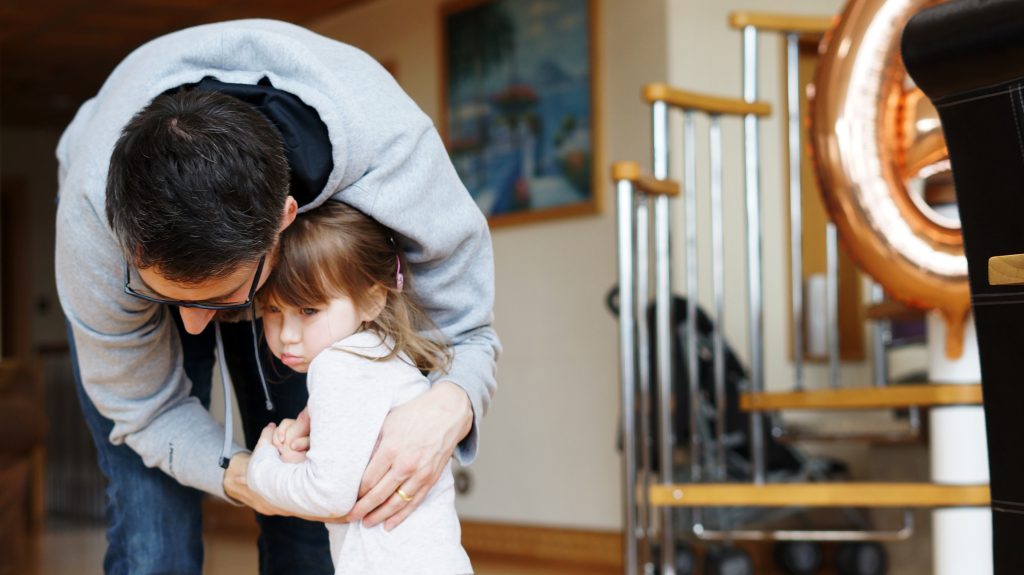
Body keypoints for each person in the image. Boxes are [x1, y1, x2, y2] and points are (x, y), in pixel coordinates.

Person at [55, 19, 499, 575]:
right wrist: (242, 475)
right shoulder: (92, 226)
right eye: (166, 295)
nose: (192, 327)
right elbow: (142, 411)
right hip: (119, 200)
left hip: (313, 219)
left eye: (221, 298)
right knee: (151, 529)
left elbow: (466, 332)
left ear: (285, 221)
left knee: (306, 533)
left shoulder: (394, 152)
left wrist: (449, 407)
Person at [247, 200, 473, 575]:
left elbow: (327, 495)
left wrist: (260, 469)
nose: (287, 335)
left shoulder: (337, 366)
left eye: (308, 310)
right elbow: (347, 476)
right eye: (272, 309)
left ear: (371, 299)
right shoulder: (378, 353)